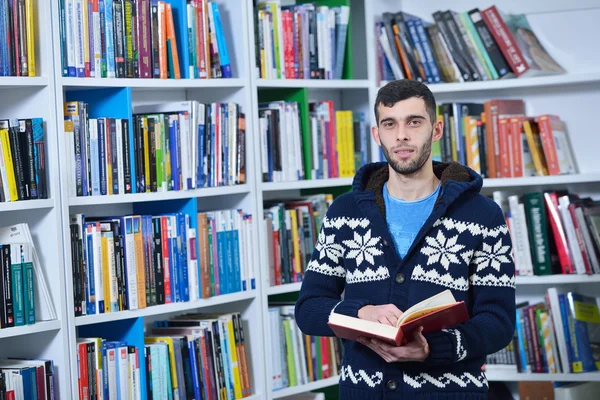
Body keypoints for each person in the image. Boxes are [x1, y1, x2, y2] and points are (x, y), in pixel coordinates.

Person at [295, 79, 516, 399]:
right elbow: (309, 309)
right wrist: (361, 312)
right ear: (377, 134)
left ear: (436, 129)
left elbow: (498, 322)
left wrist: (432, 349)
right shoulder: (344, 212)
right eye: (389, 124)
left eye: (414, 122)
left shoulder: (483, 216)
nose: (401, 135)